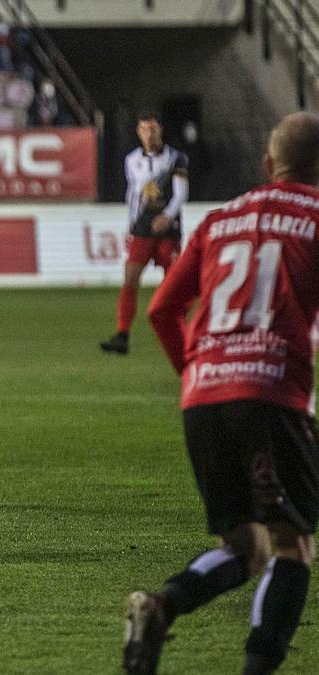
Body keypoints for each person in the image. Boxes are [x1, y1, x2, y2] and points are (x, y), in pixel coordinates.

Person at [127, 111, 319, 675]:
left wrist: (194, 373)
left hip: (204, 395)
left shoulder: (220, 220)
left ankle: (160, 609)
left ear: (267, 163)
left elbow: (162, 309)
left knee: (246, 545)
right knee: (291, 546)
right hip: (269, 395)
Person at [100, 114, 189, 355]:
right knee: (130, 278)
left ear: (160, 130)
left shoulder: (175, 158)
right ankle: (122, 335)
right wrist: (131, 222)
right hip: (141, 228)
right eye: (143, 130)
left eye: (152, 130)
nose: (148, 135)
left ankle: (185, 333)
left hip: (167, 230)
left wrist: (167, 216)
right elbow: (132, 193)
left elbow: (181, 193)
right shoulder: (132, 160)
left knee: (174, 284)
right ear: (138, 132)